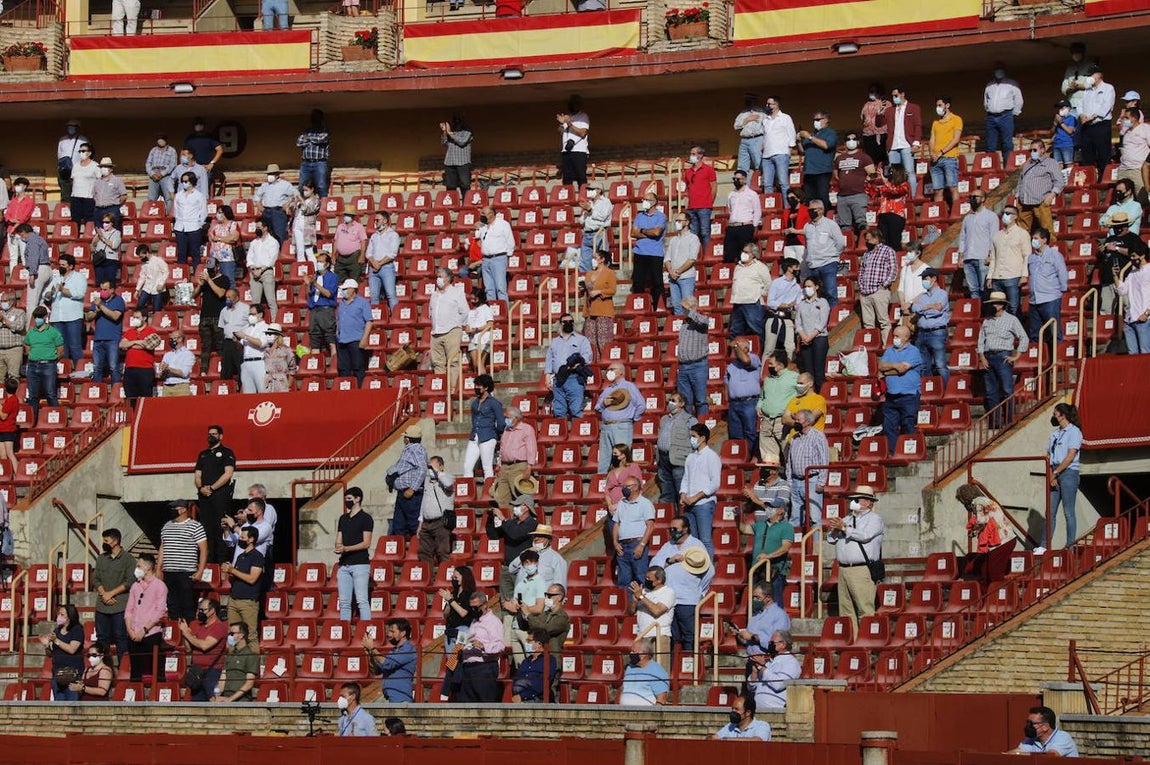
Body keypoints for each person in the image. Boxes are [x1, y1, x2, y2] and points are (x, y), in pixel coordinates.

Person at [649, 518, 713, 652]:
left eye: (675, 529)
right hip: (668, 600)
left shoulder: (696, 545)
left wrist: (700, 591)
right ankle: (674, 668)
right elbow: (653, 566)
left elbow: (709, 571)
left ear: (685, 529)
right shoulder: (667, 546)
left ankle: (690, 668)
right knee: (671, 637)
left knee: (690, 637)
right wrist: (670, 561)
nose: (672, 532)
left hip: (687, 600)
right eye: (670, 529)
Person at [826, 485, 885, 631]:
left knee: (864, 610)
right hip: (843, 569)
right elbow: (830, 539)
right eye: (853, 499)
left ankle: (868, 644)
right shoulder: (846, 518)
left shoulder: (875, 519)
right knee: (846, 612)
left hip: (861, 569)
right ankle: (852, 645)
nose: (853, 501)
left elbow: (865, 536)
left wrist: (845, 528)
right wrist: (834, 529)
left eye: (857, 499)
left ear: (868, 502)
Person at [977, 291, 1029, 428]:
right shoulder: (987, 320)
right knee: (990, 393)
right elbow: (981, 339)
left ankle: (1009, 420)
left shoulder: (1012, 320)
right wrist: (982, 356)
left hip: (1002, 356)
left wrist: (1017, 355)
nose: (993, 305)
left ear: (1001, 305)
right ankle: (995, 423)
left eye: (995, 303)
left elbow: (1024, 337)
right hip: (988, 356)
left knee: (1007, 390)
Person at [743, 463, 792, 604]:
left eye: (765, 468)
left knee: (774, 601)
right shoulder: (758, 484)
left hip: (774, 566)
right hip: (761, 530)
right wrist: (748, 499)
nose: (761, 471)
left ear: (774, 470)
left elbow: (778, 505)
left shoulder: (783, 485)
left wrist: (756, 499)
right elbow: (749, 510)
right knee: (756, 602)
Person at [158, 498, 207, 622]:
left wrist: (200, 571)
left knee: (187, 606)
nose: (172, 511)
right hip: (169, 572)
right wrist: (159, 568)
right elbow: (162, 547)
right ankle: (175, 632)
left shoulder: (195, 526)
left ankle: (188, 635)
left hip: (186, 572)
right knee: (172, 605)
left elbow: (204, 550)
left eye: (175, 508)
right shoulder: (166, 526)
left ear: (183, 510)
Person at [92, 528, 135, 666]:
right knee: (102, 638)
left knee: (120, 637)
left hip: (120, 605)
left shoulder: (128, 559)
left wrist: (112, 593)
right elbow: (96, 579)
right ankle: (103, 668)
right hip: (102, 606)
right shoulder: (101, 558)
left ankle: (124, 668)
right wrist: (104, 593)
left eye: (106, 540)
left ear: (115, 541)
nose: (103, 543)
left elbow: (129, 581)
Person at [437, 566, 480, 700]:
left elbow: (463, 613)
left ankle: (450, 691)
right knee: (453, 662)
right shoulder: (454, 593)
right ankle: (454, 692)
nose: (454, 580)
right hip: (450, 633)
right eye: (453, 577)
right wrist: (449, 600)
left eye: (457, 577)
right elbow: (445, 614)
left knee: (456, 662)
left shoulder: (469, 594)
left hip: (462, 631)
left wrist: (451, 600)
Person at [594, 362, 646, 473]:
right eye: (608, 370)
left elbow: (641, 405)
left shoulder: (629, 386)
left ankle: (624, 482)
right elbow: (597, 408)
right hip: (606, 426)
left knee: (622, 456)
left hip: (622, 425)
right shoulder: (607, 389)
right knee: (604, 458)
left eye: (612, 369)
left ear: (621, 372)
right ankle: (601, 482)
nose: (609, 372)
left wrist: (632, 419)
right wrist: (604, 403)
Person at [194, 425, 236, 564]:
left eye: (214, 434)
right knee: (206, 531)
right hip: (204, 498)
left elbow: (228, 473)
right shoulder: (203, 454)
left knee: (220, 530)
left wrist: (212, 488)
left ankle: (222, 563)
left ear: (220, 436)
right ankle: (208, 564)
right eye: (209, 434)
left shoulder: (226, 452)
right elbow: (197, 475)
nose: (211, 436)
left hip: (220, 497)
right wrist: (201, 488)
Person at [878, 326, 923, 451]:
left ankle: (910, 453)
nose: (894, 338)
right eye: (894, 336)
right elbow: (880, 366)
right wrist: (894, 366)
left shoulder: (913, 351)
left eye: (897, 336)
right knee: (889, 427)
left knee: (907, 425)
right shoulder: (889, 351)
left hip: (909, 395)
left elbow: (902, 369)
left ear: (906, 338)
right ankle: (893, 452)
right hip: (891, 396)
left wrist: (887, 372)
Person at [124, 553, 167, 682]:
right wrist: (130, 630)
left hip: (151, 633)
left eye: (139, 565)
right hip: (133, 633)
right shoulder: (135, 586)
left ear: (148, 568)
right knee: (135, 672)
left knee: (157, 669)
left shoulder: (160, 586)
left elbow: (159, 612)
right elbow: (129, 610)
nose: (136, 568)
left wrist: (144, 630)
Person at [876, 86, 923, 200]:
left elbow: (917, 125)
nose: (894, 98)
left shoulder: (913, 107)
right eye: (892, 96)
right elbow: (879, 123)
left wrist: (916, 143)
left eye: (896, 95)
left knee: (909, 172)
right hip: (893, 145)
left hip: (907, 144)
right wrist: (880, 111)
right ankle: (897, 196)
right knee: (895, 173)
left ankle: (912, 198)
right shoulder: (890, 110)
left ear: (903, 94)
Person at [457, 590, 505, 702]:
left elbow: (500, 645)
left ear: (485, 605)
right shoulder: (474, 621)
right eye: (471, 607)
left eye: (476, 607)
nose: (473, 610)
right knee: (466, 705)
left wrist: (483, 646)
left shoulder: (493, 622)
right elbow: (469, 638)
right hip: (468, 666)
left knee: (485, 703)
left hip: (484, 667)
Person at [179, 596, 228, 702]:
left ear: (212, 611)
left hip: (212, 672)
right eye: (199, 609)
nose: (200, 612)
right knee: (197, 703)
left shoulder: (219, 627)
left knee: (213, 702)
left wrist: (188, 634)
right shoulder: (200, 626)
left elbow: (204, 645)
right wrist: (185, 633)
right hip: (197, 671)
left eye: (203, 610)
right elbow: (188, 648)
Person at [1047, 402, 1083, 548]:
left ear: (1062, 414)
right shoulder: (1054, 434)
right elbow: (1049, 456)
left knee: (1068, 512)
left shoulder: (1074, 432)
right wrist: (1051, 474)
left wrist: (1055, 473)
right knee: (1050, 512)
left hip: (1068, 473)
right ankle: (1044, 545)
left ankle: (1070, 545)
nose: (1054, 415)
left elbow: (1070, 456)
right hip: (1055, 471)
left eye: (1056, 413)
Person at [545, 312, 592, 420]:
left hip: (574, 377)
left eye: (570, 322)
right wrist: (548, 377)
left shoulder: (582, 340)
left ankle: (577, 435)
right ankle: (561, 434)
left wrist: (573, 366)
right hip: (558, 379)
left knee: (576, 409)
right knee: (559, 410)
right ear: (560, 324)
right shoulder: (555, 341)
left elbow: (587, 357)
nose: (568, 323)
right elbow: (549, 359)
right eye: (565, 322)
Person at [221, 526, 264, 644]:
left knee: (250, 635)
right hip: (234, 600)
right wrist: (228, 572)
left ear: (251, 539)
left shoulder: (257, 557)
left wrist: (233, 570)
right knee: (232, 634)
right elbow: (234, 579)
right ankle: (233, 660)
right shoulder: (240, 556)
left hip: (248, 602)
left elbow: (252, 579)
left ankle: (253, 661)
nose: (240, 539)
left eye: (242, 537)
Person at [612, 475, 656, 593]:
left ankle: (643, 606)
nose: (624, 488)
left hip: (636, 544)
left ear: (636, 487)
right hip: (622, 545)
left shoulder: (645, 503)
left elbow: (650, 526)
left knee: (641, 577)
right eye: (624, 486)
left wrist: (641, 545)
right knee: (623, 579)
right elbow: (617, 523)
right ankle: (626, 606)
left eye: (627, 486)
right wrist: (615, 542)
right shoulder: (622, 502)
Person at [336, 486, 374, 621]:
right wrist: (339, 547)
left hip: (360, 564)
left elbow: (366, 543)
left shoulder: (366, 518)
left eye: (349, 499)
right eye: (346, 499)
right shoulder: (343, 518)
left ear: (358, 499)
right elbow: (339, 539)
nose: (347, 501)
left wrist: (346, 548)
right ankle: (344, 633)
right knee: (344, 603)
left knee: (362, 600)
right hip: (344, 564)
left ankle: (366, 632)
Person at [45, 254, 87, 376]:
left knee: (75, 346)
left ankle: (80, 373)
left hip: (73, 317)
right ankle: (64, 372)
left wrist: (63, 290)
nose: (60, 267)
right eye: (59, 265)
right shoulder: (56, 278)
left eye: (63, 265)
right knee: (61, 348)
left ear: (71, 266)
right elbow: (46, 293)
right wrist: (50, 293)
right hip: (57, 317)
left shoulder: (79, 277)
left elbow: (79, 293)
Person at [430, 267, 469, 393]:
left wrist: (457, 325)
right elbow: (431, 312)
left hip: (452, 331)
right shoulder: (434, 294)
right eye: (437, 276)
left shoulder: (456, 292)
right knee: (438, 363)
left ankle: (452, 389)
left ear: (448, 278)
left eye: (440, 276)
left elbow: (465, 312)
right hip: (436, 333)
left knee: (453, 362)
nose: (438, 279)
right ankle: (441, 390)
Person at [1027, 227, 1068, 350]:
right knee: (1035, 334)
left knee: (1054, 332)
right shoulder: (1031, 258)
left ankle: (1057, 361)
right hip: (1034, 300)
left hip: (1050, 298)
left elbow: (1062, 273)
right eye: (1032, 238)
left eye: (1035, 238)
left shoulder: (1054, 255)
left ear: (1044, 240)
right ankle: (1038, 362)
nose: (1033, 241)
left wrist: (1062, 289)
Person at [785, 409, 827, 528]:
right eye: (795, 420)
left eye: (799, 420)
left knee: (814, 517)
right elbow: (790, 461)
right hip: (796, 481)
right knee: (795, 517)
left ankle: (815, 545)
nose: (796, 422)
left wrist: (821, 481)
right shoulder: (795, 438)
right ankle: (796, 545)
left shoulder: (818, 436)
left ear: (807, 422)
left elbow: (824, 459)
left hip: (812, 480)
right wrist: (789, 481)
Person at [628, 566, 675, 670]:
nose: (647, 580)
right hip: (642, 637)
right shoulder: (643, 591)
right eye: (646, 578)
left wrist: (641, 597)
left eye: (650, 578)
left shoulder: (668, 592)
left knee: (660, 668)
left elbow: (657, 611)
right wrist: (635, 601)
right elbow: (630, 612)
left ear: (659, 580)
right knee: (642, 668)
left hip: (659, 636)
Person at [387, 424, 430, 538]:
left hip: (411, 495)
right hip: (402, 494)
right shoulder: (409, 450)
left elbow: (422, 469)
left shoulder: (415, 450)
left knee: (413, 526)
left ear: (407, 439)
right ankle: (402, 553)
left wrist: (412, 489)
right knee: (398, 527)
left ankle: (416, 552)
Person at [1100, 212, 1146, 316]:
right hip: (1109, 279)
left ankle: (1129, 330)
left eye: (1119, 227)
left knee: (1130, 307)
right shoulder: (1110, 239)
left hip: (1125, 278)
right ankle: (1107, 330)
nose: (1117, 229)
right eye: (1115, 227)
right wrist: (1102, 251)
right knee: (1106, 310)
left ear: (1125, 226)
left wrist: (1116, 248)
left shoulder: (1133, 238)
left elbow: (1136, 253)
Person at [1016, 140, 1064, 240]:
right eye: (1030, 150)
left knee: (1046, 231)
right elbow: (1021, 181)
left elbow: (1059, 181)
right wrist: (1018, 196)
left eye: (1034, 150)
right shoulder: (1027, 164)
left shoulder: (1050, 163)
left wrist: (1051, 196)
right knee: (1021, 232)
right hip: (1024, 203)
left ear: (1042, 150)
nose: (1032, 152)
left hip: (1041, 202)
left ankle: (1051, 252)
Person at [988, 204, 1030, 316]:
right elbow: (993, 257)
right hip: (997, 277)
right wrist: (989, 276)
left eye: (1008, 213)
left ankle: (1016, 332)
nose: (1004, 216)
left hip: (1013, 275)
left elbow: (1027, 255)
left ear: (1015, 216)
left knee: (1013, 307)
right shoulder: (996, 235)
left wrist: (1024, 275)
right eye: (1003, 213)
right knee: (996, 307)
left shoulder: (1022, 234)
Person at [857, 227, 898, 344]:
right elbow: (861, 270)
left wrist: (884, 285)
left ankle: (886, 346)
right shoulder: (866, 254)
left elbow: (893, 270)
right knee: (868, 324)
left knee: (883, 321)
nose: (867, 242)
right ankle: (871, 346)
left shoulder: (887, 251)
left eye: (869, 240)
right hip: (865, 293)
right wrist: (861, 285)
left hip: (879, 291)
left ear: (876, 239)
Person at [801, 199, 846, 307]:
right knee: (813, 295)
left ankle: (833, 320)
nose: (810, 212)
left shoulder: (831, 225)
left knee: (830, 293)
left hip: (828, 263)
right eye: (809, 210)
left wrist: (833, 255)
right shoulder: (807, 226)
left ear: (821, 210)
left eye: (813, 210)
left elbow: (840, 243)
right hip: (812, 265)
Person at [491, 408, 538, 509]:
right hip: (504, 467)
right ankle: (507, 522)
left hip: (519, 466)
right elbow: (502, 449)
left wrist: (529, 466)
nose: (505, 420)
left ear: (516, 418)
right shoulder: (506, 430)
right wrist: (499, 466)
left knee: (520, 497)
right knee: (502, 498)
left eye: (507, 417)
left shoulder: (527, 429)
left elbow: (531, 448)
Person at [730, 582, 790, 661]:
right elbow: (748, 641)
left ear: (768, 597)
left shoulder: (780, 615)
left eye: (757, 597)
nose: (754, 600)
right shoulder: (755, 616)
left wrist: (753, 637)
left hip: (770, 661)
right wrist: (739, 635)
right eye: (753, 597)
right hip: (752, 660)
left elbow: (779, 643)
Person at [911, 268, 951, 386]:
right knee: (924, 366)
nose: (924, 281)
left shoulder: (942, 294)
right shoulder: (922, 296)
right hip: (922, 333)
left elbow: (938, 310)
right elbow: (914, 308)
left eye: (926, 279)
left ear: (934, 279)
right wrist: (929, 307)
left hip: (936, 333)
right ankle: (928, 390)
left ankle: (945, 390)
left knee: (940, 365)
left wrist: (922, 309)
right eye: (923, 279)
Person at [957, 189, 999, 300]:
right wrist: (961, 257)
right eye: (971, 196)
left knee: (984, 288)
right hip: (968, 258)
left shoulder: (991, 216)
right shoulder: (967, 218)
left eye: (975, 196)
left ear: (983, 199)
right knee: (973, 290)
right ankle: (976, 313)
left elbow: (993, 238)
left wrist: (990, 255)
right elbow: (962, 238)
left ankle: (984, 313)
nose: (972, 199)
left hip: (982, 257)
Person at [24, 305, 63, 426]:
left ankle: (56, 420)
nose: (37, 319)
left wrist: (51, 361)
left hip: (48, 365)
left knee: (51, 394)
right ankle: (32, 422)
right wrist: (32, 355)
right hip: (32, 366)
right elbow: (26, 346)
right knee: (33, 396)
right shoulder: (31, 332)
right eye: (36, 317)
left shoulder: (53, 332)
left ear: (45, 317)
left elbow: (60, 350)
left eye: (40, 317)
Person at [196, 259, 234, 383]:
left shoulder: (224, 279)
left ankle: (225, 370)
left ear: (218, 267)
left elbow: (220, 293)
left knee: (220, 346)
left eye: (212, 268)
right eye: (209, 268)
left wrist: (209, 281)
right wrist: (200, 284)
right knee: (205, 346)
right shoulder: (205, 279)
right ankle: (203, 371)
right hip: (204, 317)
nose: (210, 271)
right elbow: (193, 295)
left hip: (218, 317)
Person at [630, 190, 668, 309]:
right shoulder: (639, 215)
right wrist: (648, 232)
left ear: (654, 202)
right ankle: (640, 307)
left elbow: (656, 232)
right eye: (643, 200)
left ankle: (658, 307)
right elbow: (633, 232)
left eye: (646, 200)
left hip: (655, 254)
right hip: (639, 253)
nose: (644, 202)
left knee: (657, 283)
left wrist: (641, 231)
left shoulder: (661, 216)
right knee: (638, 282)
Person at [832, 130, 875, 237]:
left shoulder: (864, 157)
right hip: (842, 196)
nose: (851, 141)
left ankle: (864, 244)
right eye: (848, 139)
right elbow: (836, 175)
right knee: (844, 226)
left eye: (853, 139)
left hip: (858, 194)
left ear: (858, 142)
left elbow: (872, 174)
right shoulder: (839, 158)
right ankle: (849, 248)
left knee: (861, 223)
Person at [364, 618, 417, 703]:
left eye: (392, 631)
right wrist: (370, 654)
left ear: (403, 633)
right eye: (389, 631)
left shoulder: (408, 649)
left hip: (401, 699)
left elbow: (387, 664)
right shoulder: (393, 651)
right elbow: (377, 671)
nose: (389, 634)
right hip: (390, 698)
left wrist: (372, 648)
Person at [656, 392, 696, 505]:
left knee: (681, 492)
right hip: (663, 459)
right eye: (670, 400)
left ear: (682, 403)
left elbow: (695, 441)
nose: (670, 403)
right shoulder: (664, 419)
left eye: (674, 400)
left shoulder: (690, 420)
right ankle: (666, 517)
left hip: (679, 460)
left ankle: (681, 519)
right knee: (666, 493)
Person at [746, 630, 802, 711]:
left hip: (775, 710)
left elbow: (778, 684)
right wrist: (755, 670)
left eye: (772, 643)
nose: (769, 645)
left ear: (783, 644)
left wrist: (761, 667)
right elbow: (752, 688)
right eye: (769, 643)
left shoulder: (791, 662)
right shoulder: (768, 663)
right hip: (757, 709)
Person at [756, 354, 797, 464]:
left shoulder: (793, 377)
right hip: (766, 422)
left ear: (780, 365)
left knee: (790, 456)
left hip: (783, 422)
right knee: (769, 460)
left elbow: (803, 393)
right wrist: (759, 405)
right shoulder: (768, 379)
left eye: (771, 364)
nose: (768, 366)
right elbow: (762, 396)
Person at [463, 373, 505, 480]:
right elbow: (473, 419)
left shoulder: (494, 403)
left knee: (487, 467)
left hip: (488, 436)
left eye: (479, 385)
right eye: (475, 385)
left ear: (486, 387)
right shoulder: (474, 403)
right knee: (467, 466)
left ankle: (488, 492)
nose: (476, 388)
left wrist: (495, 434)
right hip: (474, 436)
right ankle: (468, 493)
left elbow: (501, 422)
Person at [729, 242, 771, 344]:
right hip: (738, 302)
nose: (743, 253)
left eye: (746, 252)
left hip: (752, 302)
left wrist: (758, 294)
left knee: (756, 329)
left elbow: (768, 284)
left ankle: (761, 352)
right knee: (735, 331)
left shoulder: (760, 267)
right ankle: (736, 354)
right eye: (743, 251)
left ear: (753, 254)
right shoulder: (738, 266)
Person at [675, 296, 710, 417]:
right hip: (683, 367)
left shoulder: (702, 319)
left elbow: (703, 321)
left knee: (701, 400)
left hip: (698, 366)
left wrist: (690, 310)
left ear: (693, 307)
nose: (683, 310)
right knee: (686, 401)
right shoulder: (683, 324)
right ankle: (688, 427)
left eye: (686, 307)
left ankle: (702, 427)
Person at [725, 339, 762, 454]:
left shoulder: (754, 358)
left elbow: (746, 360)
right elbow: (726, 382)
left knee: (749, 432)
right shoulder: (731, 365)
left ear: (746, 349)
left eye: (738, 348)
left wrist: (735, 346)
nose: (735, 350)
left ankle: (748, 457)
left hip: (749, 402)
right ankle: (738, 457)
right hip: (734, 403)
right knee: (735, 434)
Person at [1078, 63, 1115, 176]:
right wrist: (1081, 115)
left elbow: (1107, 105)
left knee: (1103, 154)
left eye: (1092, 74)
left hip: (1101, 125)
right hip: (1087, 126)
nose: (1090, 77)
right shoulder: (1087, 90)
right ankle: (1089, 179)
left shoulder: (1108, 88)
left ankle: (1104, 178)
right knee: (1087, 154)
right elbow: (1080, 104)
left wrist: (1094, 116)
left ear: (1099, 75)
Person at [41, 604, 84, 701]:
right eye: (59, 614)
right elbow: (50, 654)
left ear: (70, 616)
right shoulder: (57, 631)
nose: (59, 617)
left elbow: (72, 649)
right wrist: (46, 645)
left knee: (72, 704)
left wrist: (56, 640)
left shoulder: (77, 630)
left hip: (72, 675)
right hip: (57, 674)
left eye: (62, 614)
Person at [336, 279, 374, 388]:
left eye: (345, 289)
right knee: (343, 369)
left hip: (356, 340)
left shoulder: (363, 302)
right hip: (342, 340)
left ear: (353, 289)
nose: (343, 291)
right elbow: (338, 320)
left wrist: (364, 338)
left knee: (358, 368)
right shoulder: (341, 303)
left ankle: (360, 391)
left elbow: (369, 321)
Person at [418, 455, 454, 570]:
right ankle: (427, 578)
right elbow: (424, 501)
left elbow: (448, 484)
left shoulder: (448, 477)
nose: (431, 469)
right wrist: (420, 522)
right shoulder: (427, 482)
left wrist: (438, 472)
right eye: (429, 466)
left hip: (440, 522)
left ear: (441, 466)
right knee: (424, 552)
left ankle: (444, 578)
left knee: (442, 552)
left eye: (433, 466)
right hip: (426, 522)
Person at [983, 64, 1024, 164]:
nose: (998, 72)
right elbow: (985, 101)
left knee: (1007, 143)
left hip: (1006, 116)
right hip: (991, 117)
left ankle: (1008, 166)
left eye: (1000, 69)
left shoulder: (1011, 84)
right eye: (996, 69)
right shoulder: (989, 85)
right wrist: (989, 109)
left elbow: (1019, 100)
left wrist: (1013, 114)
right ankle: (991, 167)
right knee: (990, 144)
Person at [796, 110, 837, 209]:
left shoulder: (830, 133)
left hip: (822, 171)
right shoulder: (812, 133)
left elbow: (826, 145)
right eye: (814, 120)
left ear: (826, 120)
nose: (815, 122)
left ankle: (825, 219)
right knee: (810, 199)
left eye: (818, 119)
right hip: (809, 172)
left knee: (822, 198)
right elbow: (803, 151)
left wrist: (810, 137)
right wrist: (798, 141)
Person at [86, 280, 124, 385]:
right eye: (101, 289)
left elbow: (115, 316)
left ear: (112, 290)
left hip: (112, 339)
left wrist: (101, 307)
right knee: (97, 367)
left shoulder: (118, 300)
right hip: (98, 339)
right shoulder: (97, 301)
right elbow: (88, 317)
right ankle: (96, 390)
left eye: (105, 289)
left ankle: (116, 391)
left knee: (113, 367)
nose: (102, 292)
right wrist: (96, 310)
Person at [929, 96, 964, 209]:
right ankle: (938, 216)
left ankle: (955, 213)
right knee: (938, 190)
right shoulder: (935, 123)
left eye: (940, 105)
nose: (937, 108)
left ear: (947, 105)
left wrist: (941, 152)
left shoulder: (956, 119)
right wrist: (932, 153)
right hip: (935, 160)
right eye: (937, 105)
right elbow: (932, 139)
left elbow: (956, 139)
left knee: (952, 187)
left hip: (949, 158)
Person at [796, 278, 830, 393]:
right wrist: (804, 336)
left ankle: (821, 395)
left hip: (819, 339)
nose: (807, 288)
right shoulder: (801, 304)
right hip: (805, 339)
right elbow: (798, 323)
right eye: (805, 286)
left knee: (819, 370)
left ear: (816, 287)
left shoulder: (823, 302)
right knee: (808, 371)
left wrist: (810, 337)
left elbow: (822, 323)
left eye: (809, 286)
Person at [604, 443, 643, 544]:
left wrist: (620, 504)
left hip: (627, 507)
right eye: (613, 453)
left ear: (624, 454)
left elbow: (635, 487)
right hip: (612, 510)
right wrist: (610, 505)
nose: (614, 455)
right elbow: (607, 490)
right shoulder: (612, 470)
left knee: (626, 537)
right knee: (615, 537)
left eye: (616, 453)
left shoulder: (633, 467)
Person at [583, 249, 618, 358]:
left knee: (603, 342)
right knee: (590, 341)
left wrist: (599, 292)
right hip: (590, 311)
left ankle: (606, 365)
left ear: (602, 259)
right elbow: (587, 292)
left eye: (595, 257)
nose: (593, 260)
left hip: (604, 311)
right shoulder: (589, 273)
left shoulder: (609, 273)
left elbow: (612, 290)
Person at [866, 164, 910, 250]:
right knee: (883, 243)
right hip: (883, 216)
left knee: (895, 242)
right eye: (889, 171)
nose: (890, 173)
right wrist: (869, 181)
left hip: (896, 215)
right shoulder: (885, 186)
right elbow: (871, 193)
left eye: (892, 171)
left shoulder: (904, 184)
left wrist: (884, 181)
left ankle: (896, 260)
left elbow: (896, 191)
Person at [119, 309, 158, 405]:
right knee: (130, 398)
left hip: (145, 369)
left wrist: (130, 345)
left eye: (137, 317)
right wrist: (137, 342)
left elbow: (148, 345)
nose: (134, 319)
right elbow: (121, 345)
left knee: (146, 399)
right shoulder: (130, 331)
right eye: (133, 317)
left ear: (144, 318)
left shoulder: (151, 331)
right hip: (130, 369)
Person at [764, 258, 801, 360]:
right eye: (796, 267)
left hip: (788, 318)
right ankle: (764, 372)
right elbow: (770, 302)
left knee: (790, 348)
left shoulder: (797, 287)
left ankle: (789, 371)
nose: (798, 269)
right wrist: (785, 305)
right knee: (769, 349)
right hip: (774, 316)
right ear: (789, 268)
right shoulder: (776, 282)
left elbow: (797, 305)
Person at [760, 96, 797, 197]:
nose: (767, 106)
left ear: (776, 105)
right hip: (766, 155)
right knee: (767, 184)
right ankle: (769, 208)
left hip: (781, 153)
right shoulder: (765, 120)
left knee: (783, 183)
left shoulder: (785, 118)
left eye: (770, 104)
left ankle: (787, 207)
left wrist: (789, 150)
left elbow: (791, 134)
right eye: (767, 104)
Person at [1007, 706, 1079, 757]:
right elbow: (1016, 752)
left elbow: (1049, 757)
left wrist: (1019, 754)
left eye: (1032, 723)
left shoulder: (1063, 737)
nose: (1028, 726)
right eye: (1027, 722)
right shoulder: (1032, 738)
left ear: (1045, 727)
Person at [1116, 246, 1150, 353]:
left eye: (1133, 256)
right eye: (1130, 256)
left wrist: (1146, 313)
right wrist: (1115, 275)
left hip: (1144, 319)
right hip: (1130, 320)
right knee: (1133, 355)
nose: (1131, 259)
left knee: (1145, 353)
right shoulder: (1132, 273)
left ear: (1143, 255)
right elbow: (1122, 291)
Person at [664, 214, 698, 317]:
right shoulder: (673, 239)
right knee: (676, 305)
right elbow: (667, 258)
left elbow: (692, 259)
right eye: (676, 220)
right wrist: (671, 271)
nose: (677, 222)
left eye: (679, 220)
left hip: (686, 277)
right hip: (673, 278)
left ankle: (690, 331)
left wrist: (678, 271)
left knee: (688, 306)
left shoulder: (693, 238)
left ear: (687, 222)